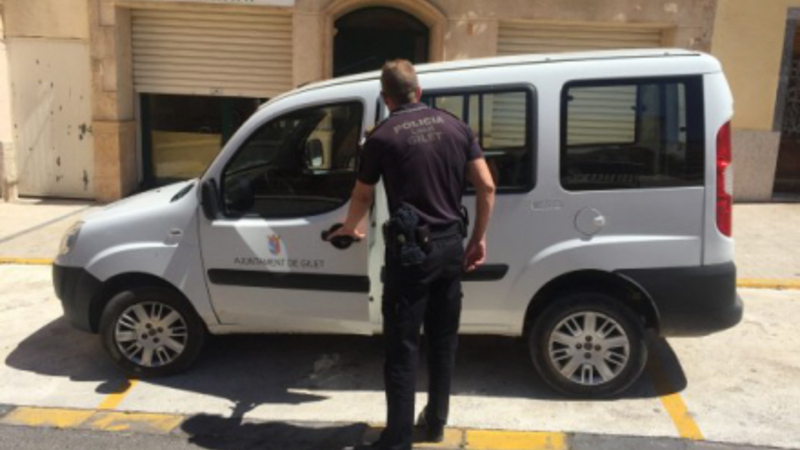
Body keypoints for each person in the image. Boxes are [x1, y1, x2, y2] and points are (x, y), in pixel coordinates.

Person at [327, 59, 496, 450]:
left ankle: (397, 439)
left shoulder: (382, 138)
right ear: (418, 92)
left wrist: (350, 227)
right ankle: (435, 424)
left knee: (402, 349)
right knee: (443, 342)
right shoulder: (456, 126)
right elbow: (486, 187)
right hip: (451, 246)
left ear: (386, 98)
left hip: (411, 255)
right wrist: (478, 239)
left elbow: (363, 195)